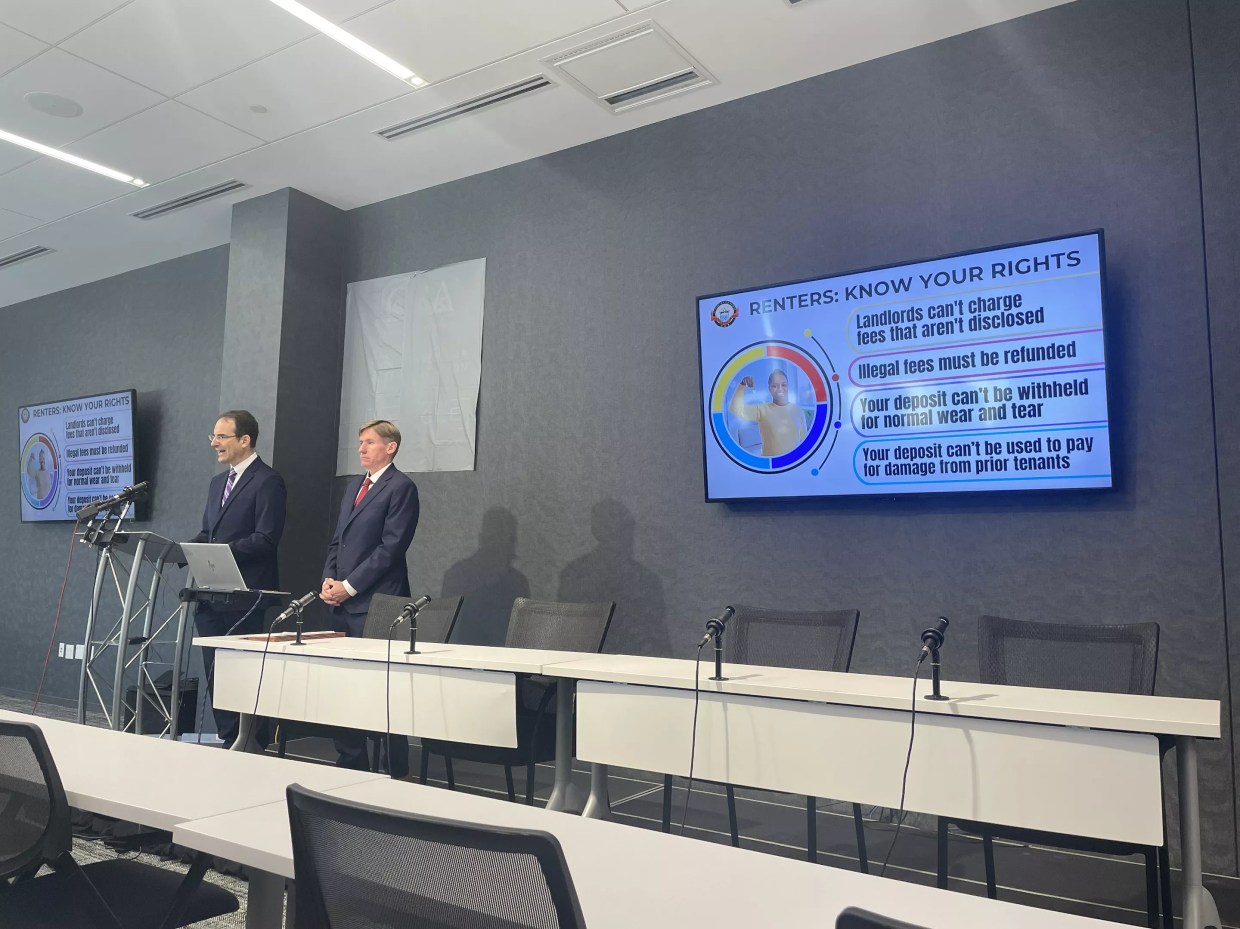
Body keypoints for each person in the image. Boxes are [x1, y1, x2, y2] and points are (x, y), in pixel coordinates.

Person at [322, 419, 419, 773]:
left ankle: (395, 770)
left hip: (378, 604)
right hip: (344, 602)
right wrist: (329, 580)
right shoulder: (353, 488)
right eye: (360, 442)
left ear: (390, 447)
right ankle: (351, 762)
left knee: (384, 688)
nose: (361, 449)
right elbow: (338, 540)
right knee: (344, 686)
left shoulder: (401, 487)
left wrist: (349, 586)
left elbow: (390, 548)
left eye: (369, 442)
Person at [190, 410, 286, 748]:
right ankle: (229, 738)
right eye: (212, 436)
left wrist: (221, 551)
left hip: (246, 597)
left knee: (242, 676)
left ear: (244, 440)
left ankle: (252, 744)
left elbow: (266, 538)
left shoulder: (268, 480)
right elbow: (208, 532)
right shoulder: (218, 483)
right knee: (215, 673)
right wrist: (184, 551)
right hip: (210, 596)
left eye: (221, 436)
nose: (214, 443)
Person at [729, 368, 806, 457]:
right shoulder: (761, 410)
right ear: (769, 388)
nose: (780, 389)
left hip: (793, 464)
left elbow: (803, 441)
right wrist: (742, 385)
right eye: (774, 386)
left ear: (787, 387)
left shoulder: (798, 410)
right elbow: (735, 409)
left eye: (784, 385)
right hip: (770, 466)